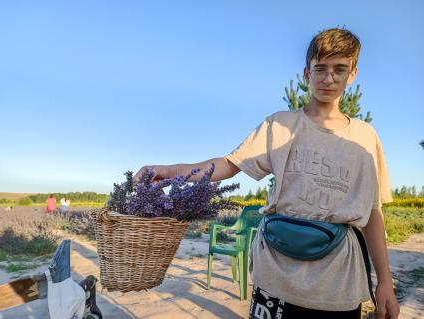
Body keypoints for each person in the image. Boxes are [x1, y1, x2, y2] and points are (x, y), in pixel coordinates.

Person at [134, 28, 399, 319]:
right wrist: (170, 171)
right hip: (276, 274)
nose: (329, 78)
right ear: (306, 73)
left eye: (340, 69)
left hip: (336, 285)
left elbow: (373, 213)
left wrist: (385, 283)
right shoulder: (278, 125)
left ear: (353, 74)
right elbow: (227, 164)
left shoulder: (364, 137)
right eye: (320, 68)